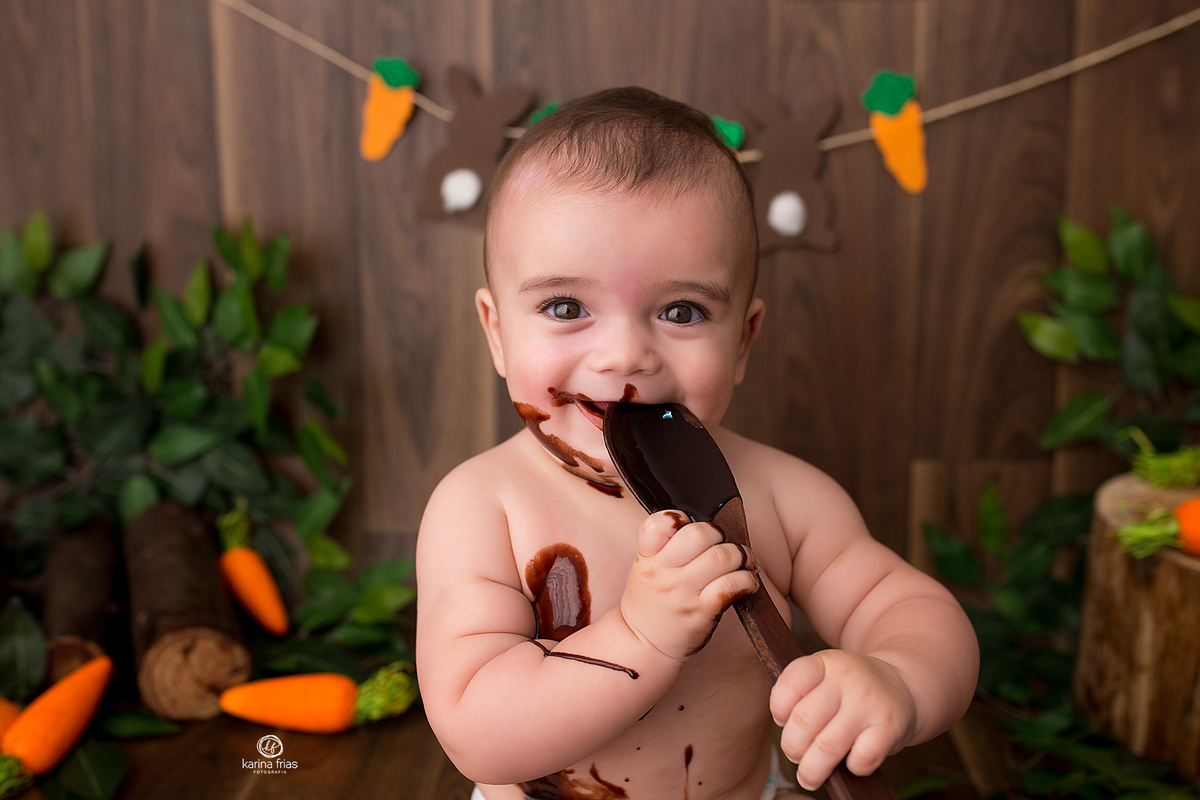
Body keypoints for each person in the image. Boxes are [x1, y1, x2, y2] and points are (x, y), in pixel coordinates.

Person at [415, 87, 978, 800]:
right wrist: (641, 638)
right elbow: (475, 732)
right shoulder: (482, 509)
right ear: (497, 331)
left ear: (742, 340)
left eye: (681, 310)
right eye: (565, 307)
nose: (623, 356)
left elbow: (911, 612)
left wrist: (899, 680)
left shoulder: (781, 497)